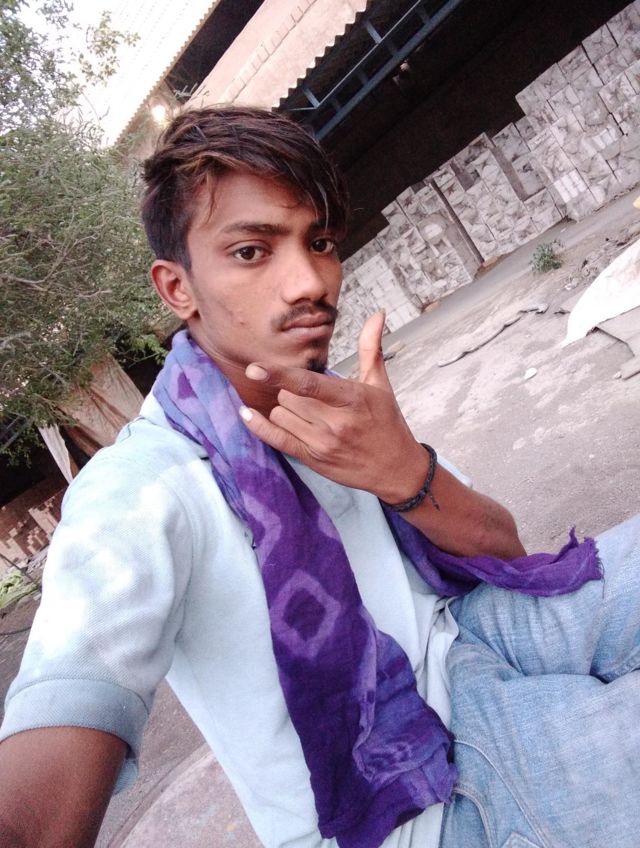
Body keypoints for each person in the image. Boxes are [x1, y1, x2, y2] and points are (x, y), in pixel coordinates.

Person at [0, 106, 638, 848]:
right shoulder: (141, 490)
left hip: (474, 642)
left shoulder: (334, 406)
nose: (310, 282)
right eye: (251, 251)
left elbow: (508, 551)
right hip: (414, 802)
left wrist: (405, 470)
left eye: (320, 242)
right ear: (177, 288)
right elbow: (49, 752)